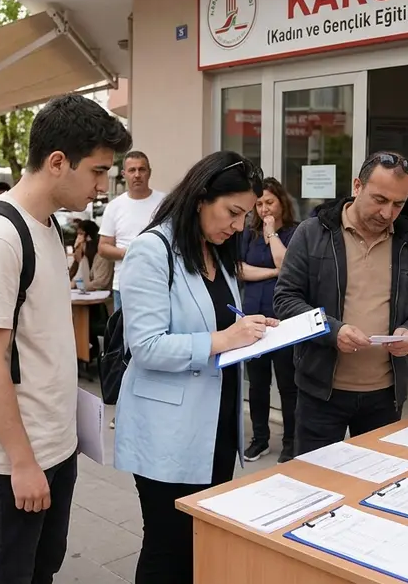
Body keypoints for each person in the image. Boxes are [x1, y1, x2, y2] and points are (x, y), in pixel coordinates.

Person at [0, 95, 132, 582]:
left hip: (53, 447)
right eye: (97, 172)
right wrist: (22, 462)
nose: (101, 187)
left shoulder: (47, 225)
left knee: (41, 570)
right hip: (12, 456)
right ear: (58, 162)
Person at [115, 151, 274, 584]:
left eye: (245, 217)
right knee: (168, 546)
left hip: (215, 425)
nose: (238, 226)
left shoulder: (216, 250)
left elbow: (218, 319)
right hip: (168, 429)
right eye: (233, 212)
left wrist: (253, 329)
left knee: (201, 541)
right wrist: (223, 340)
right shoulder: (152, 250)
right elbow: (145, 346)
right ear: (202, 196)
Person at [274, 151, 408, 456]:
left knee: (376, 485)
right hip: (321, 391)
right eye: (379, 199)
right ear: (357, 186)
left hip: (384, 395)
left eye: (398, 204)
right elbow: (285, 300)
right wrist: (333, 331)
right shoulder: (312, 233)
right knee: (315, 485)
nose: (388, 213)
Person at [239, 177, 299, 464]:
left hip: (283, 319)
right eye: (259, 204)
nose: (264, 209)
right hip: (254, 318)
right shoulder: (247, 235)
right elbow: (240, 270)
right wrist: (273, 273)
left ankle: (291, 441)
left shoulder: (294, 233)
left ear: (282, 203)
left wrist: (272, 233)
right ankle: (259, 439)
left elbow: (287, 264)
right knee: (258, 383)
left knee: (288, 383)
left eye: (269, 202)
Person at [99, 151, 164, 311]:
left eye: (142, 169)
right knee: (123, 336)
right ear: (124, 174)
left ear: (149, 172)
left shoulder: (165, 203)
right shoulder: (114, 206)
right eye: (132, 170)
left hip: (159, 284)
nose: (137, 175)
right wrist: (130, 253)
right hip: (124, 286)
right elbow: (103, 247)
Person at [68, 219, 113, 292]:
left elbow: (100, 283)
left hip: (105, 300)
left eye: (81, 234)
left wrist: (79, 286)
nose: (78, 239)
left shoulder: (102, 257)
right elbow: (75, 276)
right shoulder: (86, 258)